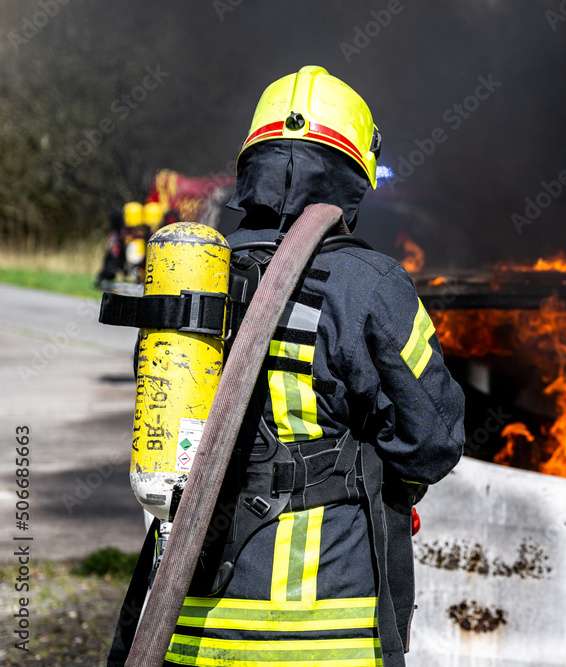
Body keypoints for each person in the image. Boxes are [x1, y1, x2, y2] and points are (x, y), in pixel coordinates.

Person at [108, 65, 465, 667]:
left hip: (186, 631)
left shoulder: (193, 282)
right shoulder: (369, 283)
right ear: (354, 174)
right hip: (322, 635)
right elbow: (432, 438)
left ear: (253, 166)